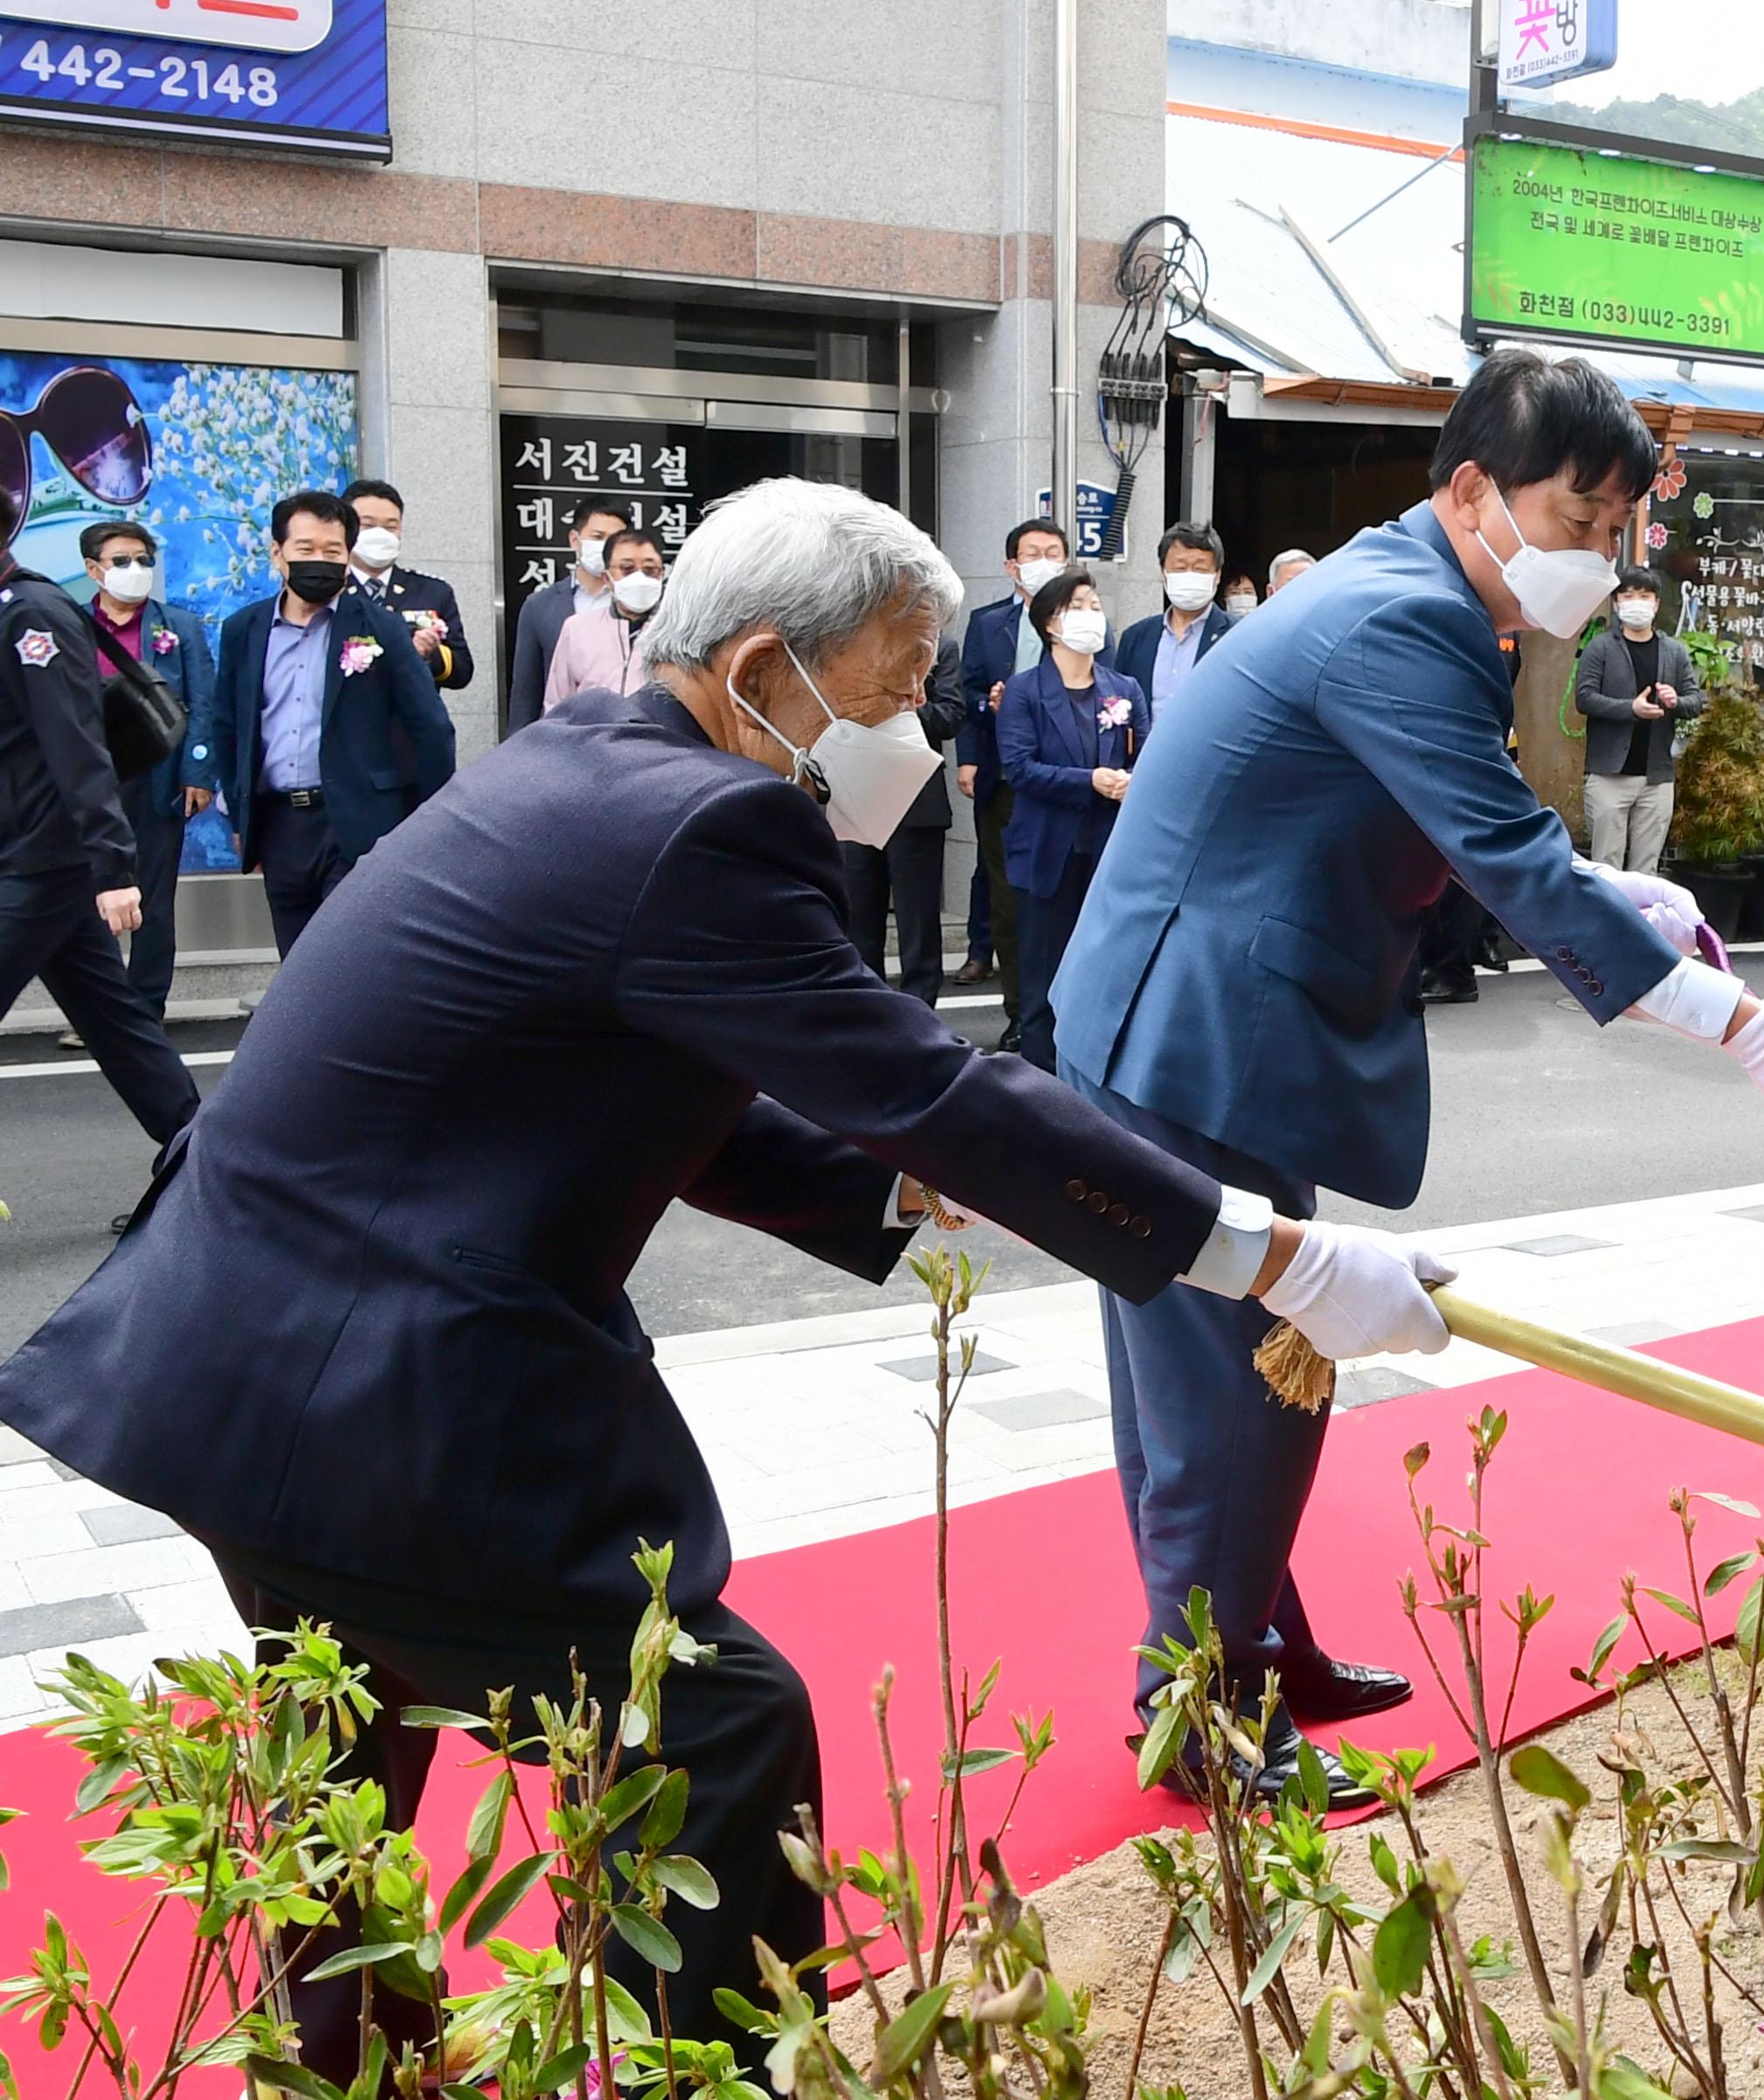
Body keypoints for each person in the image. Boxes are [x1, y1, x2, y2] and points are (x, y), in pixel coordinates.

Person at [0, 477, 1446, 2086]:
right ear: (767, 669)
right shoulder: (712, 821)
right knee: (716, 1724)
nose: (912, 728)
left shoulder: (577, 769)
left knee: (351, 1747)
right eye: (898, 690)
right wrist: (1275, 1254)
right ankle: (704, 2072)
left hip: (234, 1355)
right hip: (368, 1386)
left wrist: (883, 1181)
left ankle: (355, 2070)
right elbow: (935, 1082)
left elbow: (643, 1083)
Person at [1048, 348, 1764, 1805]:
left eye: (1615, 531)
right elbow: (1509, 852)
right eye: (1574, 518)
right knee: (1229, 1395)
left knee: (1241, 1381)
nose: (1594, 558)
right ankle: (1206, 1720)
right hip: (1190, 1037)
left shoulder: (1412, 593)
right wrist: (1744, 1026)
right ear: (1472, 486)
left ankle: (1255, 1654)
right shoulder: (1401, 617)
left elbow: (1451, 828)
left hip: (1204, 1022)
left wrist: (1637, 911)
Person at [1, 558, 201, 1163]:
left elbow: (77, 743)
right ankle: (206, 1159)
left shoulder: (31, 613)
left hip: (39, 860)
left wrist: (114, 867)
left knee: (117, 1022)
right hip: (31, 853)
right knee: (118, 1024)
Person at [210, 490, 458, 954]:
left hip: (359, 821)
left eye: (333, 551)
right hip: (279, 824)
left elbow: (432, 729)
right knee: (297, 963)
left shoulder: (381, 628)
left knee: (353, 960)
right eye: (306, 550)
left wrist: (428, 823)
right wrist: (242, 812)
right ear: (278, 554)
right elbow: (228, 724)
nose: (319, 562)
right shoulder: (244, 629)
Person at [76, 518, 218, 1020]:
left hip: (157, 779)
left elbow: (204, 702)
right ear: (94, 569)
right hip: (89, 782)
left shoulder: (178, 626)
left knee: (153, 900)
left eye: (143, 560)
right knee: (92, 897)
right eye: (121, 561)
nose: (134, 570)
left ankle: (143, 1009)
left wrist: (198, 773)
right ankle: (101, 1012)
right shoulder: (71, 624)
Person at [1000, 568, 1138, 1070]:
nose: (1092, 615)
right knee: (1044, 979)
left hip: (1107, 849)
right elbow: (1019, 768)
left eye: (1095, 604)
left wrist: (1130, 780)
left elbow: (1144, 753)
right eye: (1079, 605)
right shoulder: (1024, 690)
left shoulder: (1122, 688)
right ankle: (1042, 1088)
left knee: (1103, 975)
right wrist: (1091, 781)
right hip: (1047, 851)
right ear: (1051, 622)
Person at [954, 518, 1071, 1036]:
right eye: (1033, 553)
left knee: (1062, 896)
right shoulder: (986, 622)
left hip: (1065, 780)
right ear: (1012, 565)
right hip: (1004, 778)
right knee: (1007, 899)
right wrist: (989, 710)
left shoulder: (1083, 619)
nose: (1043, 561)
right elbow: (965, 693)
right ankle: (1020, 1014)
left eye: (1053, 552)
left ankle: (1063, 1015)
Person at [838, 634, 965, 1009]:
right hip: (856, 794)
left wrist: (895, 707)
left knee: (918, 920)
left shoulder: (939, 647)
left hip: (916, 798)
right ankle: (867, 1011)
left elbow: (950, 716)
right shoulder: (846, 643)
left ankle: (921, 1011)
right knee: (858, 918)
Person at [1573, 565, 1705, 875]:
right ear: (1616, 604)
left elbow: (1696, 700)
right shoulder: (1600, 648)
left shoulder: (1674, 651)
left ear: (1656, 603)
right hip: (1609, 776)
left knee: (1646, 870)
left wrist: (1676, 701)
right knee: (1606, 867)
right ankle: (1606, 923)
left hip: (1656, 777)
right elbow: (1585, 698)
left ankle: (1639, 924)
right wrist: (1630, 709)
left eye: (1644, 596)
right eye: (1628, 596)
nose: (1636, 602)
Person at [505, 496, 633, 735]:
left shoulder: (640, 605)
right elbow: (526, 693)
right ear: (575, 540)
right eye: (597, 537)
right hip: (564, 739)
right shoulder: (540, 606)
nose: (606, 546)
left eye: (615, 540)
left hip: (626, 738)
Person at [343, 479, 477, 696]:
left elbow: (462, 671)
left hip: (410, 726)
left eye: (390, 527)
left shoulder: (433, 591)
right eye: (367, 525)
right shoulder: (331, 591)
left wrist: (428, 654)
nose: (381, 534)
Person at [1113, 520, 1236, 722]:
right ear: (1163, 573)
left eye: (1200, 569)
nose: (1190, 576)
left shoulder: (1236, 635)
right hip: (1146, 751)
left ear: (1217, 575)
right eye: (1180, 568)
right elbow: (1119, 704)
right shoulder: (1136, 638)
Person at [541, 525, 667, 708]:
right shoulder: (577, 629)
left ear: (662, 574)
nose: (640, 578)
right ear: (607, 579)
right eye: (627, 569)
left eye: (650, 570)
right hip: (592, 735)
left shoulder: (676, 632)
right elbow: (557, 704)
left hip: (654, 736)